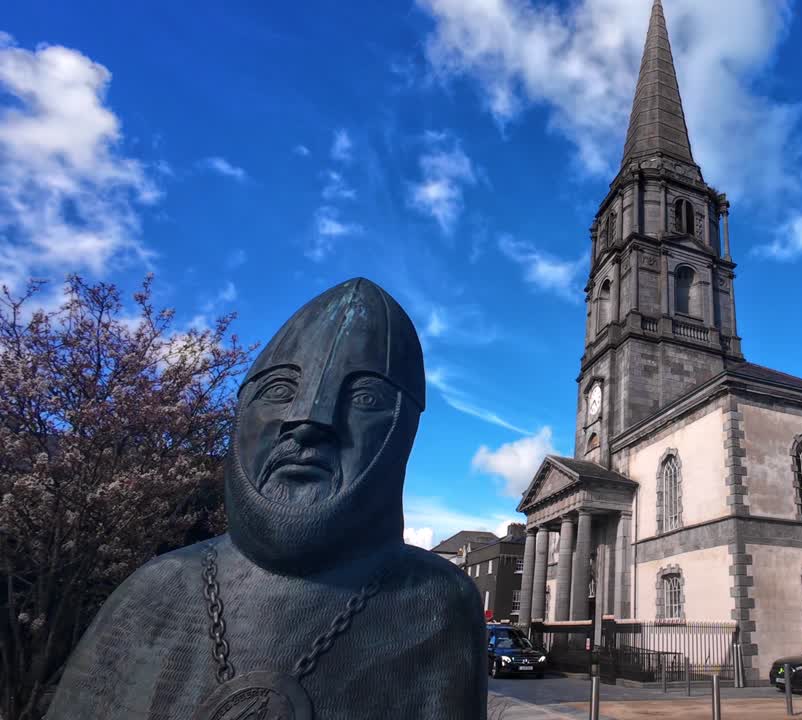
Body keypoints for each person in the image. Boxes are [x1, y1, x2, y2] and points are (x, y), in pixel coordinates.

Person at [49, 277, 486, 719]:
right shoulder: (152, 590)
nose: (310, 418)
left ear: (403, 435)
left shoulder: (437, 603)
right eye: (280, 390)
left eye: (365, 397)